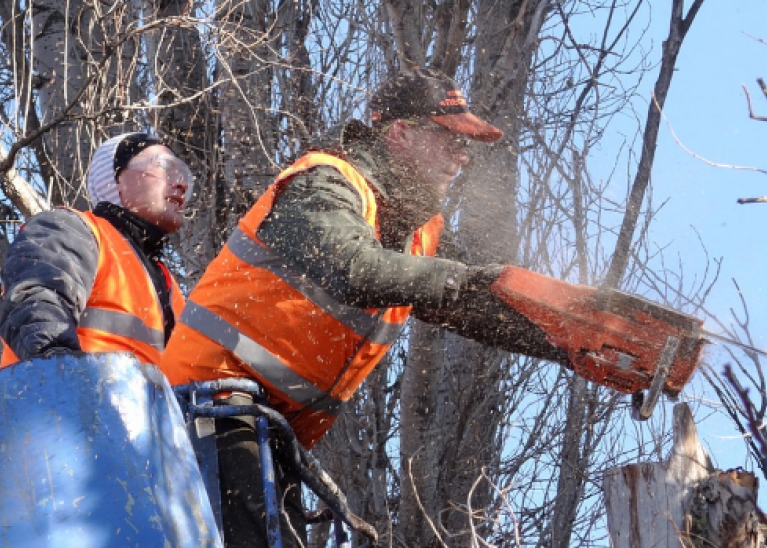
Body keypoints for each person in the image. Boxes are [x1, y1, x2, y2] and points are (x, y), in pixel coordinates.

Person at [160, 67, 570, 547]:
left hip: (269, 428)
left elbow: (477, 301)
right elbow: (356, 268)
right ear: (400, 132)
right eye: (450, 139)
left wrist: (572, 342)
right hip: (209, 405)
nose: (462, 158)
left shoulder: (420, 231)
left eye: (467, 146)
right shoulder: (323, 183)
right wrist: (464, 277)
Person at [0, 131, 192, 368]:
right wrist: (63, 373)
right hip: (65, 400)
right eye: (163, 167)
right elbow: (36, 306)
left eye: (182, 174)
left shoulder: (169, 287)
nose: (181, 184)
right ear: (115, 181)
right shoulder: (71, 229)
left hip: (140, 404)